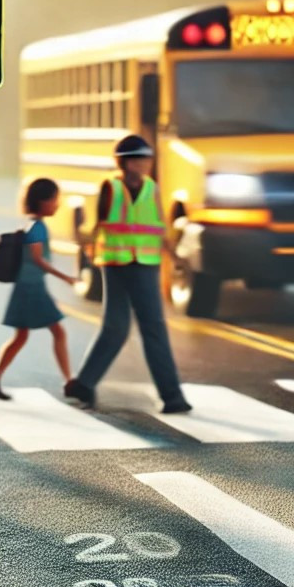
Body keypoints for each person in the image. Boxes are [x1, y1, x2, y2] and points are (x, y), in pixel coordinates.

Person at [64, 136, 192, 414]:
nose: (145, 164)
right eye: (139, 159)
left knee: (149, 328)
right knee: (118, 327)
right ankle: (87, 385)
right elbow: (99, 224)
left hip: (145, 264)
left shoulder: (151, 189)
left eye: (147, 159)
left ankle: (171, 397)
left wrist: (174, 254)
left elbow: (158, 225)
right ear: (124, 163)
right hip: (115, 264)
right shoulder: (110, 188)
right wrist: (83, 241)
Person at [0, 178, 79, 400]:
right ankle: (69, 381)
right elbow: (38, 259)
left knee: (21, 336)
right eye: (55, 200)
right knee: (57, 331)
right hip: (31, 288)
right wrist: (64, 276)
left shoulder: (32, 224)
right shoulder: (38, 228)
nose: (57, 204)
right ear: (43, 202)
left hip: (27, 286)